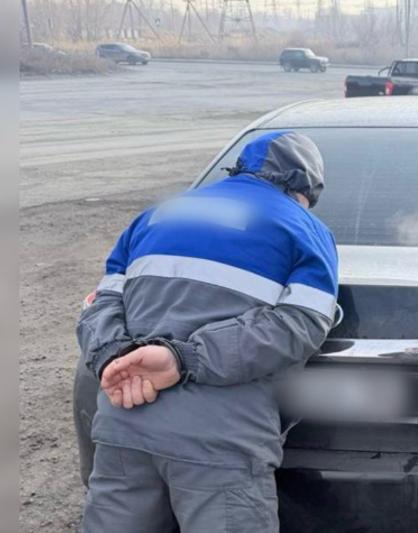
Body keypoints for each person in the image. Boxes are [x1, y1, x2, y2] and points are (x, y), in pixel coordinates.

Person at [77, 130, 338, 532]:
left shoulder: (156, 214)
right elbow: (300, 324)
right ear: (304, 188)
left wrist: (115, 357)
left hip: (124, 419)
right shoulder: (305, 229)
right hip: (219, 439)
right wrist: (184, 358)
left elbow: (101, 304)